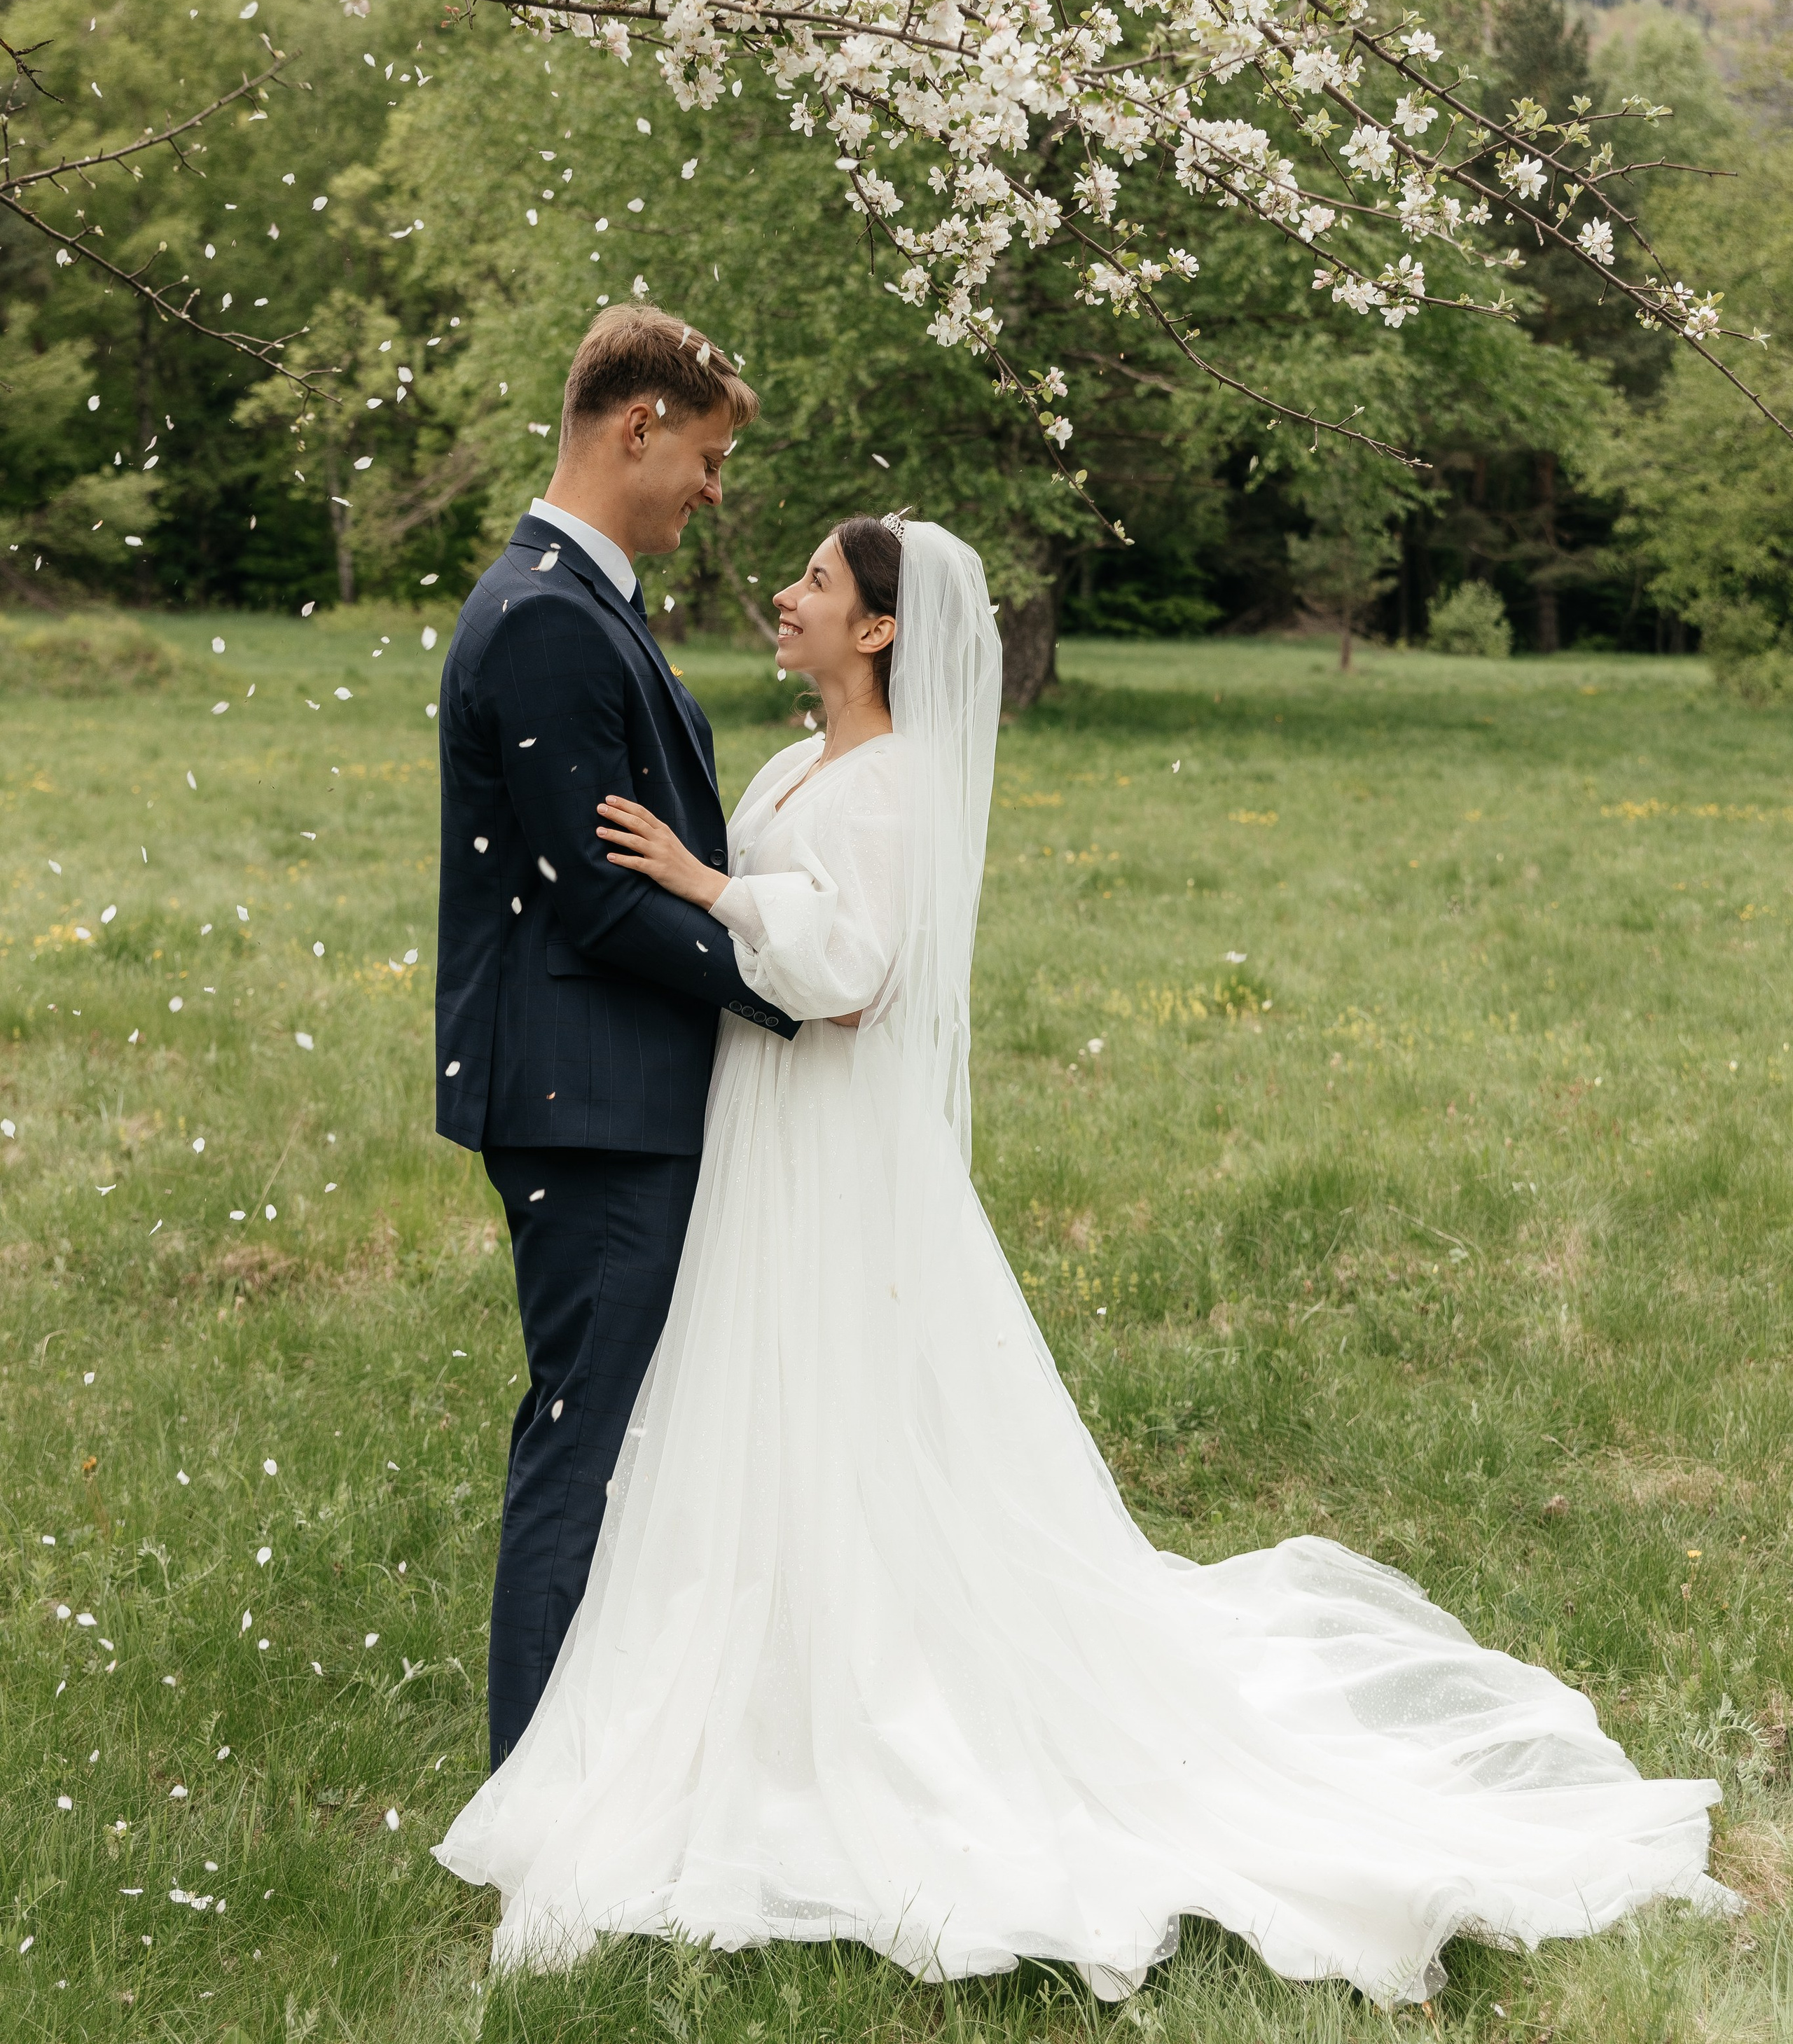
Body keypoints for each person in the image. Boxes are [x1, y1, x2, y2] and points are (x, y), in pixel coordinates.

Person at [437, 515, 1734, 2004]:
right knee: (762, 1410)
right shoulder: (796, 766)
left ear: (878, 631)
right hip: (764, 1128)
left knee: (845, 1406)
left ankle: (867, 1706)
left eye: (817, 583)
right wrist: (705, 887)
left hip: (827, 1138)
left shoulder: (894, 785)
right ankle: (752, 1692)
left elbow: (853, 976)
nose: (784, 596)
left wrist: (707, 884)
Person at [433, 305, 800, 1770]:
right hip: (588, 1102)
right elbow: (594, 896)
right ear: (636, 427)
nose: (712, 489)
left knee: (620, 1437)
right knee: (585, 1442)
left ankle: (602, 1761)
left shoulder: (581, 601)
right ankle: (535, 1795)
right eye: (705, 457)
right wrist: (787, 983)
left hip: (611, 1090)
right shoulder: (542, 618)